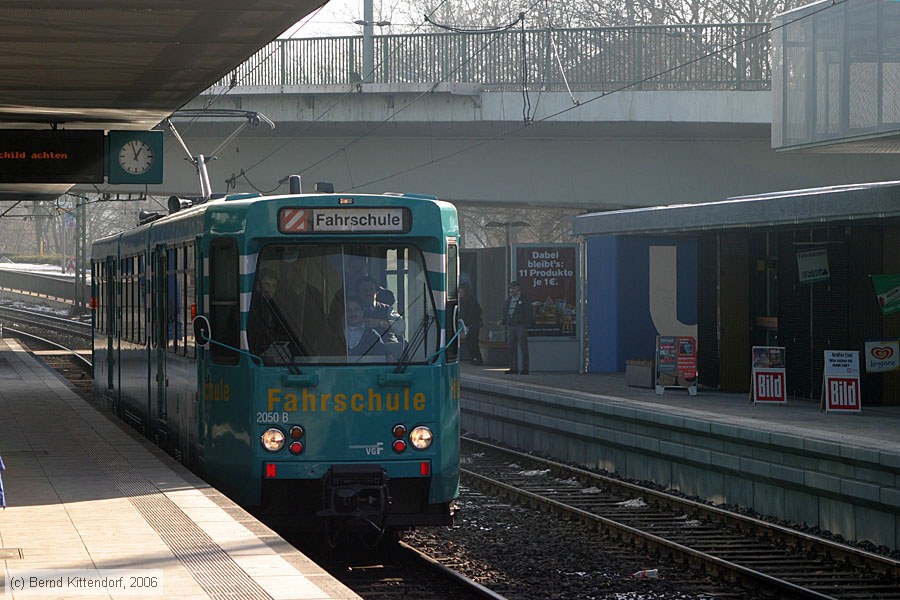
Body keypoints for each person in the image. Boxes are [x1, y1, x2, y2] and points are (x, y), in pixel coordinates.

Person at [356, 275, 404, 343]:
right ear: (358, 292)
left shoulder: (387, 309)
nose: (368, 293)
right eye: (364, 290)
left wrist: (380, 322)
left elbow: (401, 327)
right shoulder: (352, 309)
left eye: (371, 290)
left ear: (376, 292)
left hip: (387, 348)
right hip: (362, 349)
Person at [344, 296, 394, 361]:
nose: (353, 313)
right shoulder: (336, 334)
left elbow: (387, 357)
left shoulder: (372, 335)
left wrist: (389, 356)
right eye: (349, 310)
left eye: (356, 309)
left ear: (362, 312)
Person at [499, 280, 530, 374]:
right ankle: (513, 367)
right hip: (510, 326)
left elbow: (528, 312)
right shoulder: (509, 300)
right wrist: (503, 321)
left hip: (520, 326)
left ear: (518, 288)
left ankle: (525, 368)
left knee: (523, 347)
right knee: (511, 347)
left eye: (513, 288)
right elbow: (505, 312)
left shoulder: (524, 299)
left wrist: (525, 324)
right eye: (510, 288)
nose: (511, 290)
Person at [458, 282, 484, 365]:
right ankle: (474, 358)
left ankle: (477, 359)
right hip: (467, 324)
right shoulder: (462, 301)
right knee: (469, 342)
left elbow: (476, 312)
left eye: (461, 292)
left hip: (473, 324)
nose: (460, 294)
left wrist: (468, 320)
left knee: (473, 342)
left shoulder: (470, 300)